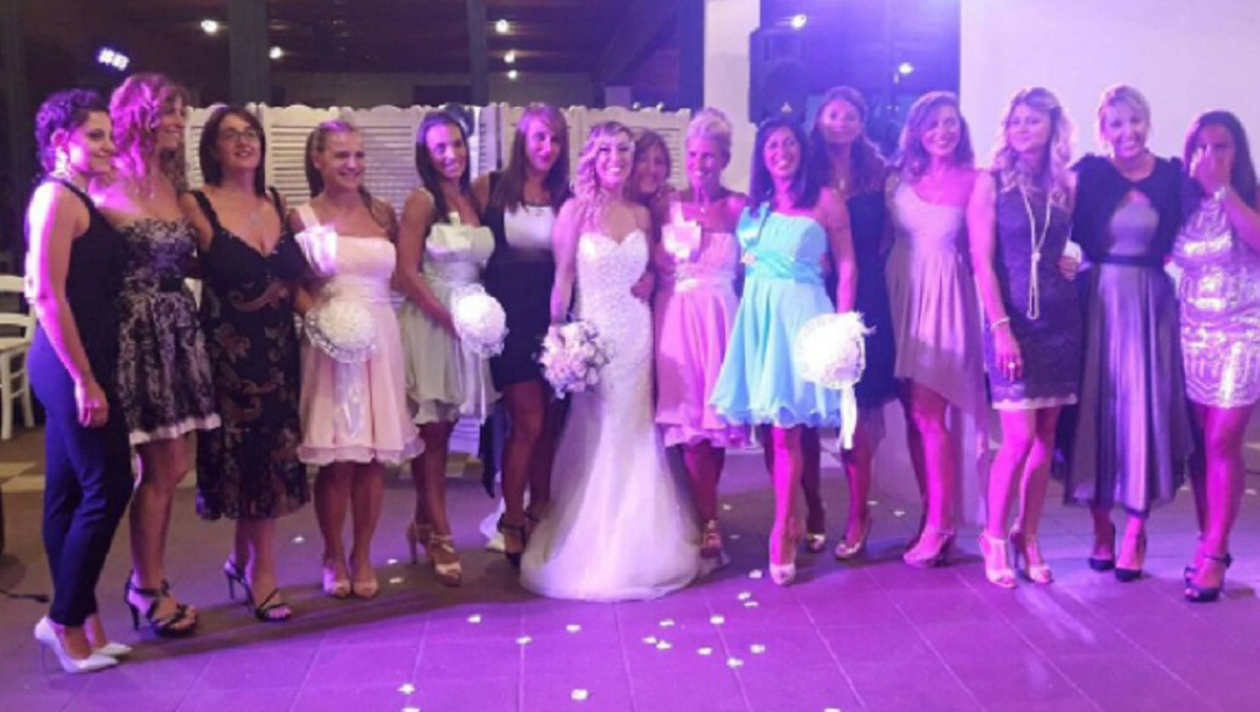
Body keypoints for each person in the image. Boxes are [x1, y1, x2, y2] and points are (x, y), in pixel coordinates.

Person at [520, 121, 702, 600]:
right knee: (599, 430)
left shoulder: (642, 214)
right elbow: (562, 278)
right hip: (594, 337)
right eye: (605, 151)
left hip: (637, 335)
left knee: (635, 429)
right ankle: (594, 541)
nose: (616, 159)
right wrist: (559, 336)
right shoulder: (575, 211)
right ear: (592, 158)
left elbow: (657, 271)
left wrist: (652, 282)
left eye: (623, 150)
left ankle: (639, 540)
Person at [710, 115, 856, 585]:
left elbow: (847, 266)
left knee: (787, 432)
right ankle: (795, 515)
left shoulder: (826, 201)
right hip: (759, 318)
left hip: (801, 317)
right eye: (772, 145)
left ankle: (783, 530)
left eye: (789, 143)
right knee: (772, 429)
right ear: (762, 155)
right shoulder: (756, 206)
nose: (781, 152)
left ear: (802, 149)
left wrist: (842, 326)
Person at [99, 73, 218, 636]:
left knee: (172, 466)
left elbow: (189, 258)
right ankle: (145, 585)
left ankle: (147, 580)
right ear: (136, 115)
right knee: (154, 466)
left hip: (177, 327)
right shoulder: (103, 181)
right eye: (168, 111)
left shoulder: (173, 180)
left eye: (181, 113)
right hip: (134, 331)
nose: (177, 122)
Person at [1059, 85, 1193, 582]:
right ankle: (1102, 529)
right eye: (1116, 123)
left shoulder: (1173, 176)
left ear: (1147, 122)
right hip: (1096, 300)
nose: (1127, 132)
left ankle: (1136, 530)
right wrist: (1060, 261)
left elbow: (1194, 230)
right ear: (1103, 129)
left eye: (1134, 120)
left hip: (1150, 303)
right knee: (1096, 412)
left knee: (1142, 413)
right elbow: (1052, 222)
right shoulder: (1090, 173)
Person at [180, 106, 308, 620]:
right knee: (251, 461)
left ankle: (241, 560)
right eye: (229, 134)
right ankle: (264, 577)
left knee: (272, 458)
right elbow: (175, 262)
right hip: (230, 355)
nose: (243, 141)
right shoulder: (196, 203)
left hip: (280, 350)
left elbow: (295, 280)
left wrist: (334, 322)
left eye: (250, 132)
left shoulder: (275, 200)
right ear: (212, 149)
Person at [293, 120, 422, 600]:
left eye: (359, 155)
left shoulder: (382, 212)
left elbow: (402, 275)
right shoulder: (301, 217)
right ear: (318, 160)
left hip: (381, 337)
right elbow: (293, 284)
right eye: (341, 155)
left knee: (374, 458)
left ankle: (362, 553)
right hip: (332, 342)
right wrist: (321, 319)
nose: (353, 164)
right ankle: (331, 553)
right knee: (339, 459)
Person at [25, 89, 131, 672]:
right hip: (70, 362)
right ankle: (63, 621)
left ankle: (82, 620)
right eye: (96, 135)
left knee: (67, 493)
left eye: (110, 134)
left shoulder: (78, 196)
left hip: (80, 359)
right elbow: (45, 294)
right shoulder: (56, 197)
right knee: (109, 485)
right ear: (61, 141)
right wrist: (85, 379)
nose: (109, 144)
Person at [968, 88, 1082, 587]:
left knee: (1046, 437)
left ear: (1053, 127)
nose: (1022, 129)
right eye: (1016, 121)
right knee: (1017, 438)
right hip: (1011, 322)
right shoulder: (990, 182)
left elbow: (1075, 244)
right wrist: (1000, 328)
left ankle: (1028, 534)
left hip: (1061, 320)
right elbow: (981, 262)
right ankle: (993, 535)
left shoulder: (1066, 183)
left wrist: (1075, 259)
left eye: (1033, 121)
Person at [884, 91, 985, 567]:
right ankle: (931, 510)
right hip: (901, 294)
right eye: (932, 123)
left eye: (950, 122)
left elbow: (987, 250)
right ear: (917, 131)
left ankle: (942, 524)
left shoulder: (976, 180)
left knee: (930, 412)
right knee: (914, 414)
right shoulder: (899, 178)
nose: (942, 131)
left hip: (944, 299)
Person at [395, 111, 496, 587]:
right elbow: (406, 272)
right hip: (433, 322)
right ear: (426, 154)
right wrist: (446, 317)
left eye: (456, 143)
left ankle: (421, 522)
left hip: (469, 320)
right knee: (432, 433)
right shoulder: (421, 202)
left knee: (447, 426)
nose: (451, 154)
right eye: (440, 147)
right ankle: (441, 535)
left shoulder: (474, 196)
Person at [1171, 110, 1260, 601]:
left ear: (1237, 151)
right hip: (1192, 334)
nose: (1209, 156)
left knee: (1223, 439)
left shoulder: (1249, 196)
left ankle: (1215, 552)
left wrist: (1224, 190)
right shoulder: (1184, 205)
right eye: (1200, 148)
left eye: (1220, 146)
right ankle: (1209, 540)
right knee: (1201, 446)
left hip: (1243, 333)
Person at [653, 108, 748, 561]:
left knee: (717, 426)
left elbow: (754, 269)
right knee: (689, 424)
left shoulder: (739, 207)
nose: (699, 164)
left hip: (722, 319)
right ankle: (708, 519)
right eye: (692, 155)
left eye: (708, 156)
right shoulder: (668, 203)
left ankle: (705, 506)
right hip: (677, 318)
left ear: (725, 158)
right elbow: (646, 258)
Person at [807, 86, 897, 559]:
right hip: (812, 293)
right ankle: (812, 510)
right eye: (832, 114)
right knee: (807, 409)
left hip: (867, 295)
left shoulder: (879, 173)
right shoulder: (805, 170)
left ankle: (859, 512)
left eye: (850, 116)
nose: (840, 123)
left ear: (861, 124)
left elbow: (893, 232)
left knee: (857, 407)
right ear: (818, 118)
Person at [478, 104, 570, 565]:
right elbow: (464, 243)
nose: (547, 148)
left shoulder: (566, 195)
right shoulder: (491, 187)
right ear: (522, 139)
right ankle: (511, 517)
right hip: (509, 321)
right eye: (539, 137)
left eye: (555, 139)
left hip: (553, 320)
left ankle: (540, 509)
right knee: (527, 422)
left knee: (549, 424)